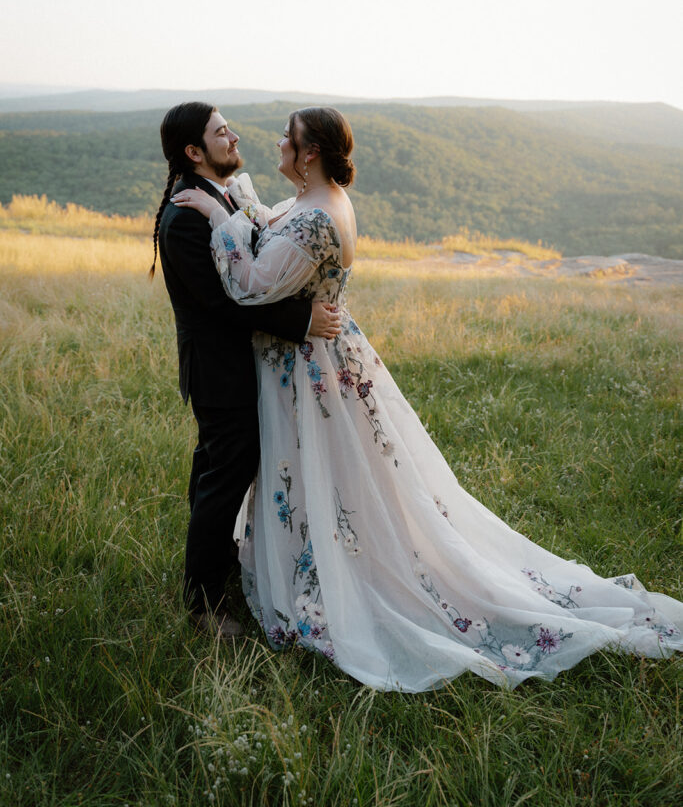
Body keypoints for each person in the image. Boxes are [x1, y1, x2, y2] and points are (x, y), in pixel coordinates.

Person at [170, 105, 683, 690]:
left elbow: (251, 283)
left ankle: (347, 584)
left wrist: (218, 214)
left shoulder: (316, 216)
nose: (277, 144)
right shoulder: (318, 202)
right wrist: (243, 204)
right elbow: (280, 233)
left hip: (310, 369)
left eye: (288, 138)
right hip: (323, 359)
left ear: (309, 153)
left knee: (327, 475)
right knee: (335, 479)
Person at [151, 102, 340, 640]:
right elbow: (225, 303)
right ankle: (203, 606)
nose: (233, 136)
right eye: (220, 132)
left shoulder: (218, 196)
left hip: (236, 367)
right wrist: (303, 318)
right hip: (220, 371)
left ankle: (217, 574)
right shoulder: (186, 216)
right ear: (194, 152)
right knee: (222, 481)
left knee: (216, 473)